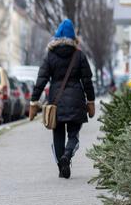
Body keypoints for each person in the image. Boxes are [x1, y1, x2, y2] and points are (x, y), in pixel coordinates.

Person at [29, 19, 95, 179]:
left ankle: (61, 167)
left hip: (55, 102)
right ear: (73, 38)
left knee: (58, 134)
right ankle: (67, 155)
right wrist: (90, 101)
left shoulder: (50, 56)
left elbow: (41, 79)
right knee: (73, 135)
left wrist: (33, 101)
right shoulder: (79, 55)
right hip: (76, 100)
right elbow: (87, 80)